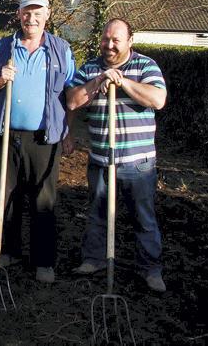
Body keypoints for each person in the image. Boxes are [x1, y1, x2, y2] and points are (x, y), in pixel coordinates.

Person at [66, 18, 168, 292]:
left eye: (116, 41)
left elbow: (158, 99)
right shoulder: (89, 68)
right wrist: (98, 81)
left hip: (138, 163)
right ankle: (94, 259)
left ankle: (150, 269)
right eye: (105, 39)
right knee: (97, 213)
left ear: (129, 41)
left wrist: (123, 83)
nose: (109, 45)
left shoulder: (145, 66)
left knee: (143, 218)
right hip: (101, 159)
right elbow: (72, 100)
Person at [0, 0, 76, 284]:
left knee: (43, 199)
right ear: (18, 15)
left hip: (44, 138)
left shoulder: (60, 49)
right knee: (7, 196)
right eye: (26, 13)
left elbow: (71, 94)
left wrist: (68, 131)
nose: (31, 18)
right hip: (7, 134)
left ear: (47, 15)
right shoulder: (4, 47)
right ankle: (7, 251)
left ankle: (43, 260)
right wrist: (1, 79)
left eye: (37, 13)